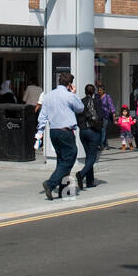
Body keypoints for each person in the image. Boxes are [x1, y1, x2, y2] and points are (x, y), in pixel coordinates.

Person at [37, 72, 83, 200]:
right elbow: (80, 108)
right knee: (70, 157)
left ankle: (64, 189)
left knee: (61, 160)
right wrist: (74, 94)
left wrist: (39, 132)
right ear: (69, 84)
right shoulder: (69, 96)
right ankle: (50, 183)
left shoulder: (49, 96)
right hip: (65, 131)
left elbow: (43, 116)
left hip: (53, 131)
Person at [75, 83, 105, 189]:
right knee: (92, 157)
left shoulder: (81, 101)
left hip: (83, 131)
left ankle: (90, 182)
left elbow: (77, 116)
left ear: (85, 91)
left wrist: (82, 126)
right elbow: (101, 116)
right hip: (93, 132)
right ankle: (81, 174)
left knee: (89, 156)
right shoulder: (97, 101)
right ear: (94, 91)